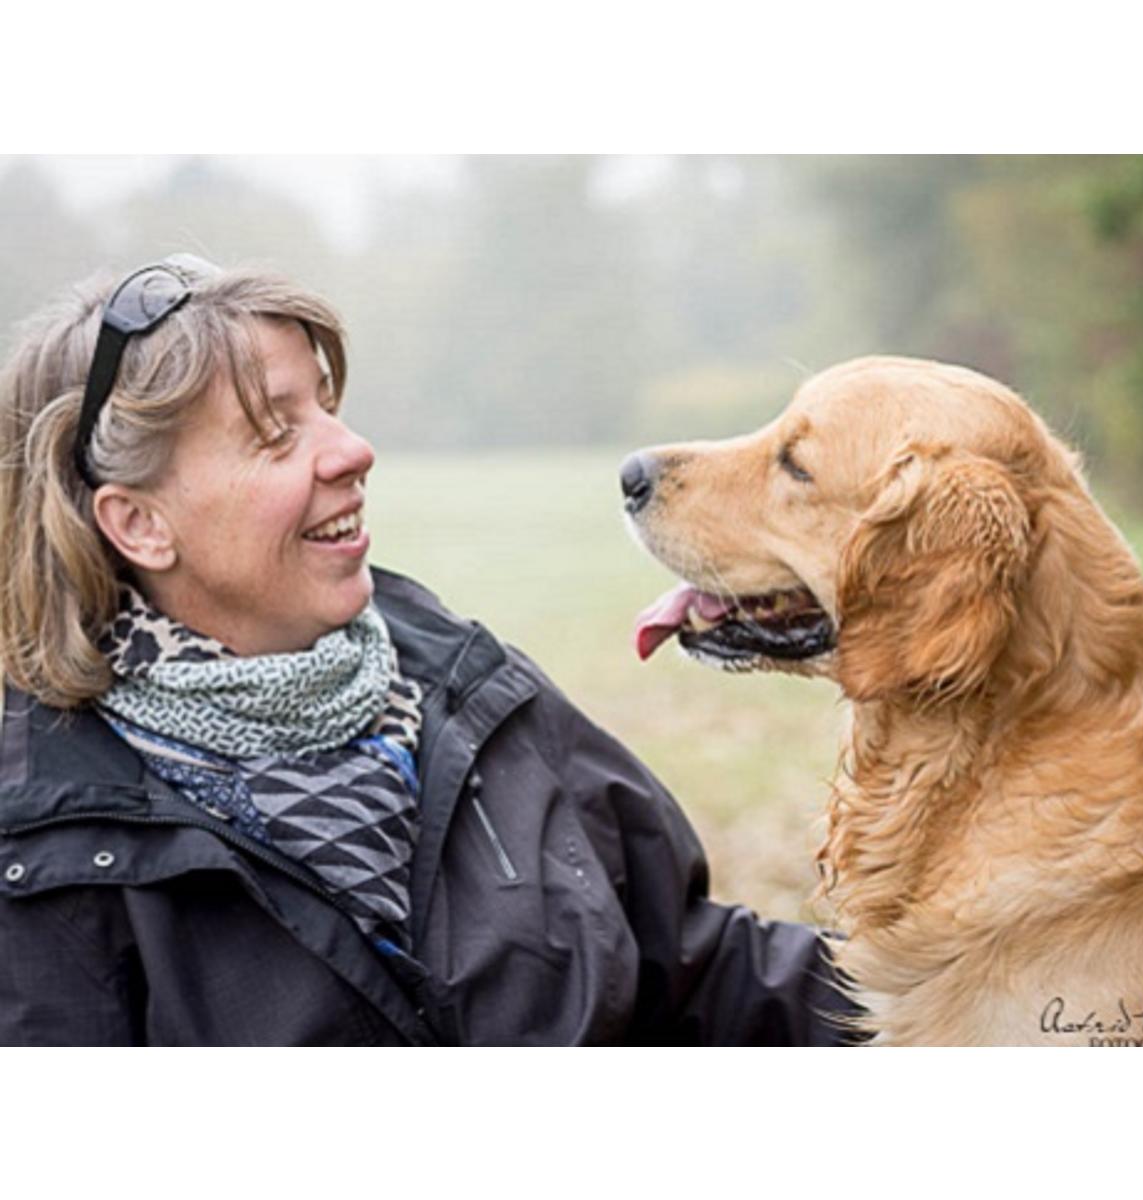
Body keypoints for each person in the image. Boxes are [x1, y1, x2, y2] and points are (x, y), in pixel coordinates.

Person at [0, 254, 855, 1045]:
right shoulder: (40, 855)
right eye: (274, 433)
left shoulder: (465, 685)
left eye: (325, 410)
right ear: (140, 524)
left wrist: (948, 1003)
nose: (354, 450)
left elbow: (698, 973)